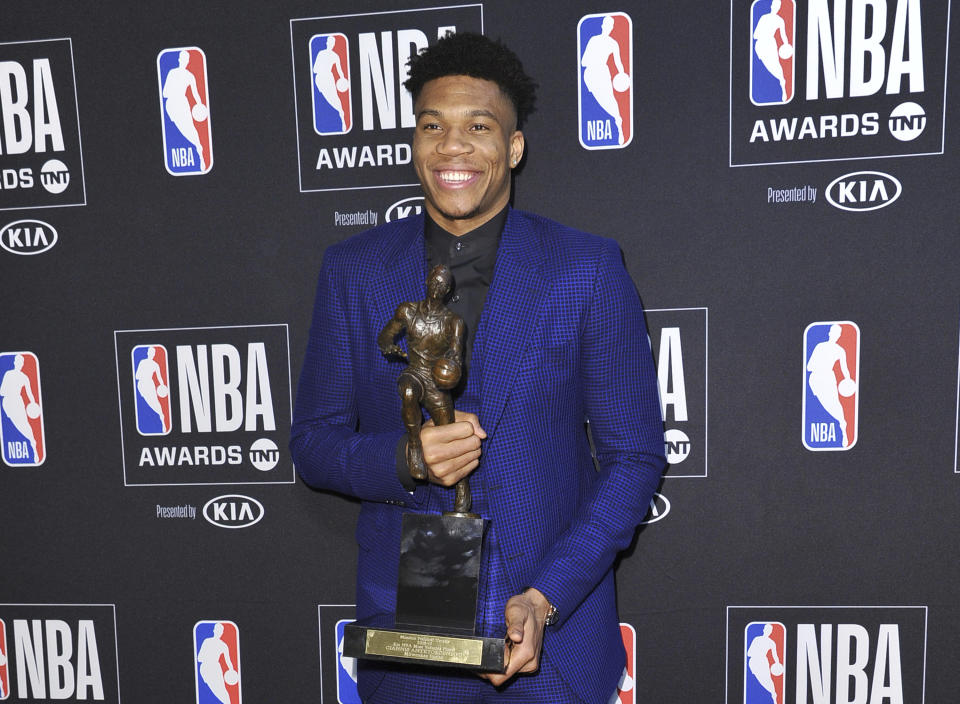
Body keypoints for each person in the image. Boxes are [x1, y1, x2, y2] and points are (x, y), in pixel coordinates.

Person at [291, 32, 665, 703]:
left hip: (555, 640)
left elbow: (634, 457)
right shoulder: (352, 270)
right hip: (412, 636)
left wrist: (548, 597)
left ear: (514, 147)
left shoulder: (586, 269)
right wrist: (407, 460)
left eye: (479, 126)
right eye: (433, 125)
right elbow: (314, 444)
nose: (452, 147)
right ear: (414, 141)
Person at [162, 50, 207, 170]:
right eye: (183, 59)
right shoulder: (172, 72)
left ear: (187, 61)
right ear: (179, 60)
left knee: (190, 129)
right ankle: (199, 148)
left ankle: (200, 152)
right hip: (171, 105)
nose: (184, 61)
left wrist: (200, 105)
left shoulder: (190, 76)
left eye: (186, 59)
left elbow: (195, 93)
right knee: (181, 130)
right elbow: (164, 92)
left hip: (182, 104)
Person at [753, 0, 791, 102]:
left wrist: (786, 44)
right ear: (771, 6)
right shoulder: (764, 17)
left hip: (770, 44)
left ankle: (782, 84)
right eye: (773, 4)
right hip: (760, 45)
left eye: (776, 5)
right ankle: (780, 82)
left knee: (775, 65)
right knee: (766, 67)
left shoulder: (780, 20)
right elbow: (755, 35)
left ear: (778, 7)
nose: (774, 6)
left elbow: (784, 35)